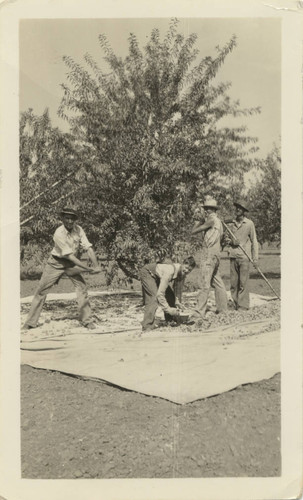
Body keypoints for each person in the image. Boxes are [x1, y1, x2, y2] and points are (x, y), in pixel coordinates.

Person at [22, 207, 102, 331]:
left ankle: (87, 320)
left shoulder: (79, 229)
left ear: (75, 220)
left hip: (71, 263)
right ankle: (30, 322)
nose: (70, 221)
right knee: (41, 291)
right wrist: (88, 268)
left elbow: (88, 248)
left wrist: (96, 265)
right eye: (67, 218)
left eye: (72, 219)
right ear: (62, 219)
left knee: (82, 288)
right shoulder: (58, 233)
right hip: (56, 262)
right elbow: (69, 255)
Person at [191, 197, 227, 319]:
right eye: (205, 208)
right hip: (216, 253)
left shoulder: (211, 220)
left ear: (212, 210)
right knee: (217, 281)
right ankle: (223, 309)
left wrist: (199, 221)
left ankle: (199, 312)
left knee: (204, 282)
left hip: (209, 253)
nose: (205, 211)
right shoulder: (219, 222)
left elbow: (194, 231)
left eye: (207, 209)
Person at [139, 256, 196, 332]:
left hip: (158, 276)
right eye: (186, 268)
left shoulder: (182, 274)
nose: (186, 271)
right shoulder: (170, 271)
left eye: (189, 270)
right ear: (182, 264)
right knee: (153, 298)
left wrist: (177, 302)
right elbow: (160, 294)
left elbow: (177, 291)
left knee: (170, 296)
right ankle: (147, 326)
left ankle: (170, 321)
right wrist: (168, 309)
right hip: (148, 273)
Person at [225, 200, 259, 310]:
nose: (238, 210)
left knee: (243, 283)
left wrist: (255, 258)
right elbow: (225, 238)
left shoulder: (249, 224)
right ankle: (234, 303)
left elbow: (254, 241)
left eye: (240, 208)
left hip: (244, 257)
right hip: (233, 256)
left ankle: (243, 305)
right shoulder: (230, 224)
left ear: (244, 211)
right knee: (234, 283)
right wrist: (231, 242)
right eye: (237, 208)